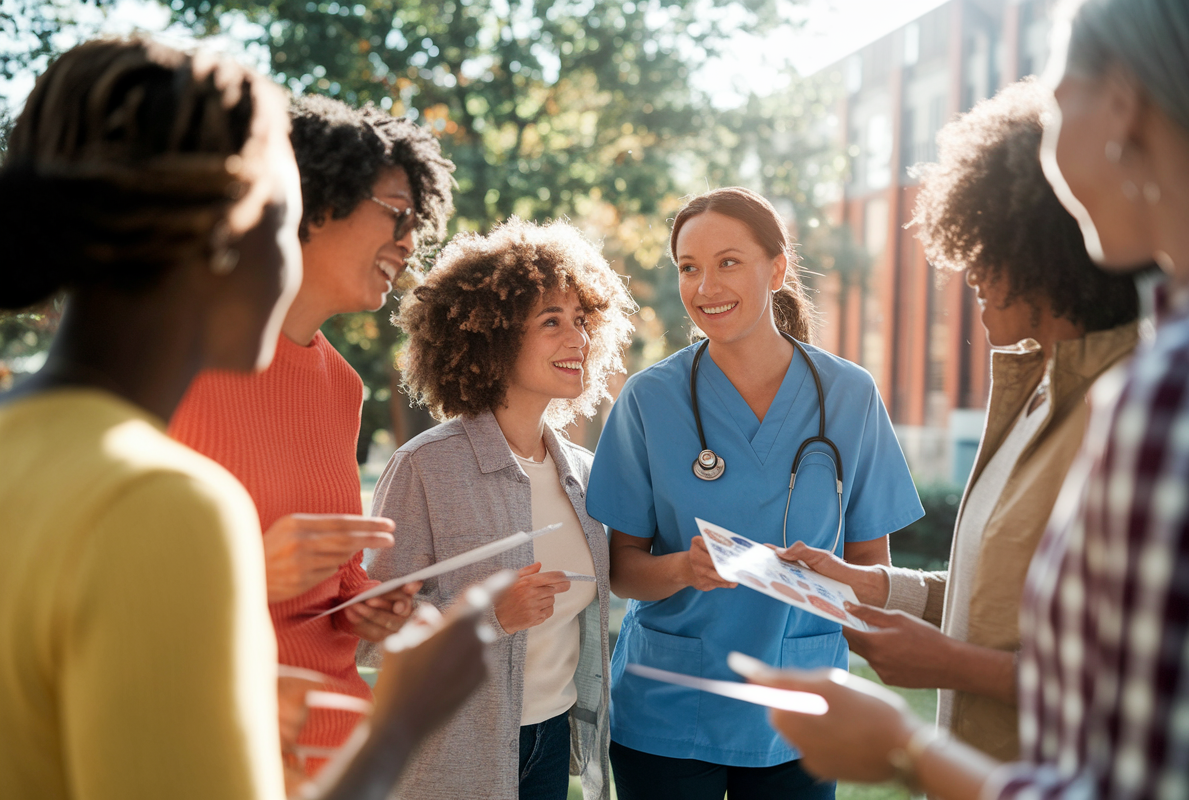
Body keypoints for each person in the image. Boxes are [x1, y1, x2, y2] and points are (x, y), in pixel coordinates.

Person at [748, 0, 1189, 797]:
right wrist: (873, 588)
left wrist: (903, 750)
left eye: (1060, 97)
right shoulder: (1172, 367)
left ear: (1125, 104)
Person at [0, 37, 485, 800]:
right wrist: (402, 721)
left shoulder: (18, 440)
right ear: (226, 230)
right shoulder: (166, 503)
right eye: (285, 215)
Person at [773, 78, 1141, 762]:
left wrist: (947, 666)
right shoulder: (1036, 398)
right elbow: (996, 601)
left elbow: (1144, 688)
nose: (967, 270)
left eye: (984, 248)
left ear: (1039, 245)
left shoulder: (1128, 407)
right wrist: (870, 585)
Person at [587, 187, 925, 800]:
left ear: (777, 267)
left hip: (800, 701)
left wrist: (836, 590)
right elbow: (622, 570)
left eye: (729, 262)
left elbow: (874, 570)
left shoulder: (848, 396)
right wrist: (683, 569)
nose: (705, 287)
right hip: (669, 703)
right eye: (689, 268)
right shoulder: (648, 400)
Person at [168, 93, 456, 768]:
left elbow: (330, 576)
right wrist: (245, 576)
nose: (410, 242)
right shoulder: (170, 358)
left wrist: (364, 606)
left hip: (333, 753)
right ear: (312, 198)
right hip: (210, 753)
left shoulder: (341, 385)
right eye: (396, 213)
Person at [359, 218, 635, 800]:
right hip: (450, 750)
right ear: (494, 336)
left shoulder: (585, 474)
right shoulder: (426, 467)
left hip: (551, 740)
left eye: (582, 322)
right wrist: (491, 618)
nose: (577, 339)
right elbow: (368, 629)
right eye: (551, 322)